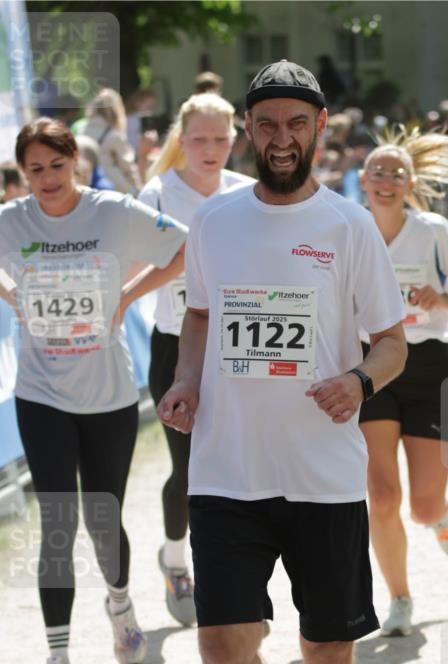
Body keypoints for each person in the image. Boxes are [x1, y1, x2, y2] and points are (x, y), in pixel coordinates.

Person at [157, 60, 406, 664]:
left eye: (297, 124)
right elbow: (198, 315)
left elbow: (394, 340)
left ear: (320, 128)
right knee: (221, 646)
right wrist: (186, 384)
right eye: (267, 124)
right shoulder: (218, 222)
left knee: (328, 647)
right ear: (248, 132)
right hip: (227, 465)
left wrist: (360, 379)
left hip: (321, 475)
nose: (282, 138)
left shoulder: (348, 226)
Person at [0, 118, 187, 664]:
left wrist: (126, 296)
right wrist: (10, 294)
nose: (46, 180)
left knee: (101, 518)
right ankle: (58, 660)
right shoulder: (13, 221)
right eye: (34, 170)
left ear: (76, 164)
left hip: (109, 394)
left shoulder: (112, 211)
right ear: (22, 173)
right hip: (40, 392)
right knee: (59, 523)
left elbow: (183, 246)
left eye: (56, 166)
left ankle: (118, 600)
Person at [359, 129, 448, 636]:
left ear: (410, 183)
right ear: (363, 180)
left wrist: (445, 300)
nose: (386, 180)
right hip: (371, 366)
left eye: (396, 173)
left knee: (422, 504)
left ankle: (440, 516)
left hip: (429, 364)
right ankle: (399, 598)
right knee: (381, 495)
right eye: (377, 171)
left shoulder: (433, 229)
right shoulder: (350, 229)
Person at [139, 93, 253, 625]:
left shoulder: (247, 194)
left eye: (221, 139)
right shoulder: (157, 194)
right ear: (180, 142)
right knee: (187, 469)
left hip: (238, 345)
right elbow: (136, 265)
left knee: (234, 463)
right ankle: (175, 558)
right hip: (176, 346)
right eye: (199, 140)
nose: (211, 150)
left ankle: (231, 578)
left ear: (236, 140)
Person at [78, 89, 140, 194]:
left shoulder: (81, 130)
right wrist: (137, 188)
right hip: (112, 187)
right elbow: (127, 166)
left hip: (86, 184)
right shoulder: (114, 135)